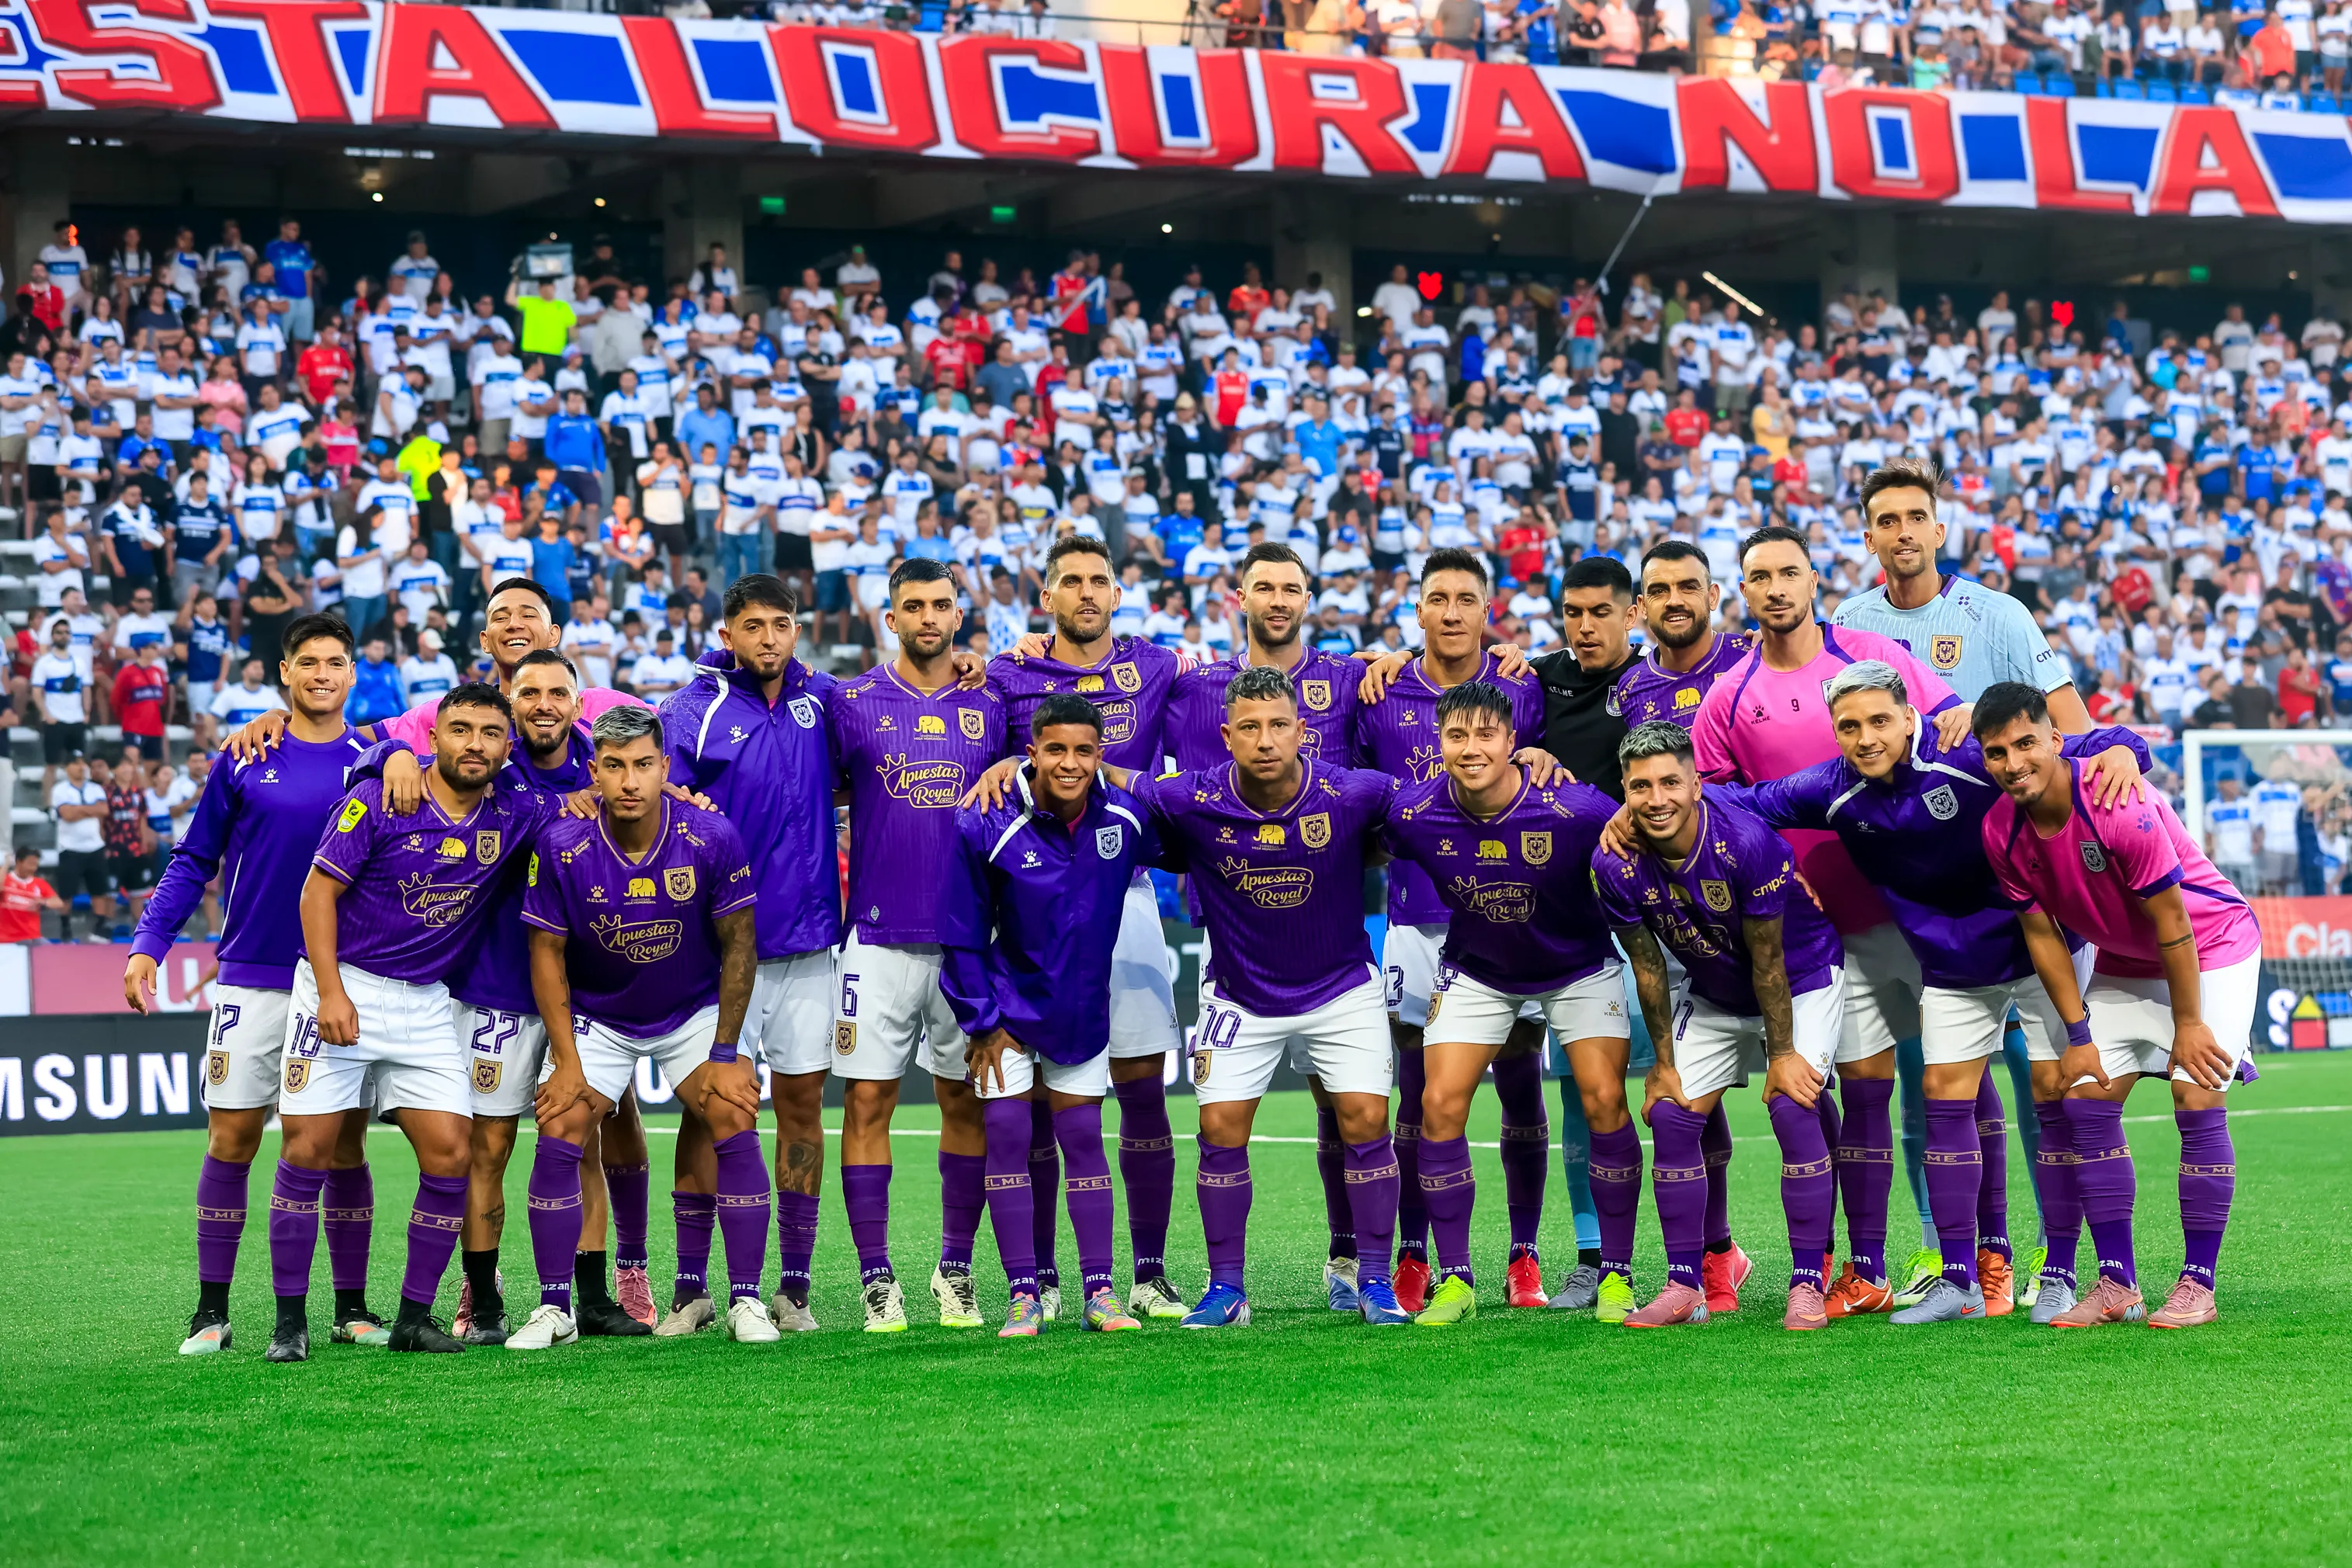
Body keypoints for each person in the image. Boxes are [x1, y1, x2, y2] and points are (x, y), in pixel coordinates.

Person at [1717, 661, 2152, 1324]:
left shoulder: (1967, 753)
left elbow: (2091, 743)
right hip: (1949, 968)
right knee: (1944, 1106)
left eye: (1879, 721)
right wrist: (1637, 816)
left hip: (2042, 949)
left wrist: (2126, 751)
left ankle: (2060, 1274)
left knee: (2056, 1105)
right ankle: (1958, 1280)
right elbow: (1737, 802)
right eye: (1849, 727)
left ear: (1908, 714)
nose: (1866, 738)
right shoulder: (1831, 788)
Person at [1691, 523, 1971, 1314]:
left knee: (1957, 1086)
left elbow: (1954, 727)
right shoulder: (1729, 695)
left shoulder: (1870, 658)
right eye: (1760, 576)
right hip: (1818, 932)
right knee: (1860, 1091)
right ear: (1742, 591)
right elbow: (1714, 805)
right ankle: (1867, 1266)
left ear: (1815, 580)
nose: (1776, 588)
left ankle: (1982, 1259)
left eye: (1789, 573)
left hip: (1917, 913)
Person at [1832, 456, 2096, 1289]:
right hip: (1920, 896)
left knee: (2045, 1081)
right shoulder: (1849, 621)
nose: (1903, 532)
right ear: (1869, 536)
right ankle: (1957, 1251)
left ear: (1940, 527)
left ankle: (2059, 1259)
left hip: (2020, 886)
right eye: (1887, 520)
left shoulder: (1998, 615)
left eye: (1917, 517)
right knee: (1937, 1081)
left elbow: (2073, 727)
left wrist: (2111, 762)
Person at [125, 615, 382, 1355]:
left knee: (340, 1144)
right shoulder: (245, 756)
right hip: (254, 978)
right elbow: (193, 858)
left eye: (335, 662)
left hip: (341, 982)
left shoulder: (376, 761)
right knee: (232, 1137)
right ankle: (211, 1311)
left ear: (352, 674)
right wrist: (149, 944)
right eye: (309, 662)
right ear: (285, 673)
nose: (322, 674)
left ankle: (352, 1309)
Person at [1126, 664, 1409, 1330]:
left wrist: (1532, 761)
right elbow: (1113, 778)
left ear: (1302, 731)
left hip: (1342, 989)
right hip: (1239, 995)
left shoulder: (1352, 791)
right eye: (1249, 727)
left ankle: (1374, 1282)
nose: (1265, 739)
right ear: (1226, 736)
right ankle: (1227, 1289)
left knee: (1366, 1121)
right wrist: (1015, 767)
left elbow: (1437, 798)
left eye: (1278, 725)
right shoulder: (1192, 796)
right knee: (1220, 1131)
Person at [272, 683, 548, 1360]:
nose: (474, 744)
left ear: (507, 747)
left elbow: (586, 806)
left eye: (490, 733)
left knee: (452, 1153)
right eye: (460, 730)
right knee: (307, 1151)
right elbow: (316, 895)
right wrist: (331, 993)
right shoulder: (380, 798)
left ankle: (414, 1319)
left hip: (425, 1002)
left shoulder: (515, 812)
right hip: (342, 987)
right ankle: (289, 1322)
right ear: (435, 737)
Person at [1976, 682, 2264, 1331]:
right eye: (1997, 753)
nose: (2014, 763)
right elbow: (2044, 937)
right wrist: (2077, 1034)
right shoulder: (1999, 830)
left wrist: (2188, 1025)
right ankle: (2116, 1283)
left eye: (2026, 743)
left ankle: (2199, 1283)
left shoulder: (2116, 802)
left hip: (2210, 945)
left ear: (2056, 739)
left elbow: (2174, 922)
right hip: (2125, 959)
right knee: (2084, 1098)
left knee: (2195, 1094)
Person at [965, 535, 1192, 1320]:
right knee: (1038, 1105)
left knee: (1141, 1091)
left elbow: (1232, 678)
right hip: (1035, 899)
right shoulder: (1007, 672)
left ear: (1117, 594)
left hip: (1126, 894)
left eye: (1099, 580)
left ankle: (1148, 1271)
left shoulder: (1159, 664)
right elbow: (977, 737)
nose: (1087, 592)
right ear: (1048, 594)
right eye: (1072, 580)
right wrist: (999, 760)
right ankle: (1043, 1278)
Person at [1160, 543, 1372, 1299]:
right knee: (1225, 1124)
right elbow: (1115, 753)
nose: (1278, 600)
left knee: (1343, 1106)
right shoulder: (1191, 686)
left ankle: (1352, 1258)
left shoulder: (1353, 678)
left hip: (1329, 919)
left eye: (1290, 588)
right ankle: (1226, 1285)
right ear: (1239, 597)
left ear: (1308, 597)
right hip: (1235, 925)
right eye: (1264, 587)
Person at [1377, 682, 1623, 1326]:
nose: (1471, 748)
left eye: (1486, 735)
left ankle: (1617, 1274)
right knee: (1437, 1104)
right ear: (1439, 742)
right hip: (1479, 969)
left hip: (1576, 967)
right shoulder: (1414, 812)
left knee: (1604, 1101)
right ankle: (1456, 1280)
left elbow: (1641, 844)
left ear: (1513, 742)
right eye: (1456, 736)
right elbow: (1358, 831)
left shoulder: (1574, 807)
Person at [519, 705, 765, 1348]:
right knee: (560, 1121)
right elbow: (545, 954)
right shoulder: (562, 844)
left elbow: (740, 944)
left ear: (665, 768)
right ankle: (555, 1308)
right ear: (594, 771)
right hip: (599, 1015)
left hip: (691, 1009)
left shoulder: (711, 835)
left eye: (643, 765)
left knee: (732, 1109)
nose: (630, 781)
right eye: (615, 766)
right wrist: (567, 1062)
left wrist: (725, 1052)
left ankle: (743, 1298)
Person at [1350, 550, 1552, 1314]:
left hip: (1510, 915)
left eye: (1468, 599)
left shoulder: (1523, 685)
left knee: (1520, 1080)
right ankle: (1413, 1255)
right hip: (1414, 917)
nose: (1453, 612)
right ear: (1419, 611)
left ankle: (1524, 1256)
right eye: (1439, 598)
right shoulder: (1380, 691)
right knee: (1418, 1093)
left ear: (1487, 609)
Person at [1596, 721, 1848, 1330]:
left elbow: (1769, 960)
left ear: (1696, 785)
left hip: (1803, 976)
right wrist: (1663, 1065)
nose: (1656, 799)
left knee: (1792, 1104)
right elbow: (1648, 967)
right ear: (1624, 791)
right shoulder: (1614, 863)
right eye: (1640, 786)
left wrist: (1781, 1055)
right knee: (1671, 1113)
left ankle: (1807, 1282)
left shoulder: (1748, 842)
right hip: (1713, 989)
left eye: (1670, 783)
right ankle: (1684, 1286)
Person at [658, 576, 843, 1334]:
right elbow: (657, 804)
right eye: (754, 625)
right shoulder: (688, 711)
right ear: (727, 633)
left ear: (798, 629)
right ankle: (691, 1288)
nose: (769, 638)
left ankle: (793, 1287)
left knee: (802, 1109)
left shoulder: (826, 699)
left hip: (809, 945)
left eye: (782, 623)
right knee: (710, 1112)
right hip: (719, 951)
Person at [824, 558, 1003, 1333]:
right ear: (889, 618)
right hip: (876, 937)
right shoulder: (850, 702)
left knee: (966, 1101)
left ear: (959, 614)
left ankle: (955, 1269)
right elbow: (821, 789)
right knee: (868, 1101)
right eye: (913, 606)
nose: (928, 617)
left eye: (940, 605)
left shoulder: (993, 699)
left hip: (970, 940)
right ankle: (876, 1277)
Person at [941, 694, 1150, 1336]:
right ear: (1030, 752)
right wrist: (981, 1021)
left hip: (1081, 1011)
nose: (1069, 763)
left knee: (1084, 1142)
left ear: (1100, 755)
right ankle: (1023, 1296)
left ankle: (1100, 1294)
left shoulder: (1128, 820)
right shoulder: (986, 819)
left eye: (1084, 751)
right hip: (1005, 1015)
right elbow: (961, 931)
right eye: (1055, 749)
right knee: (1006, 1138)